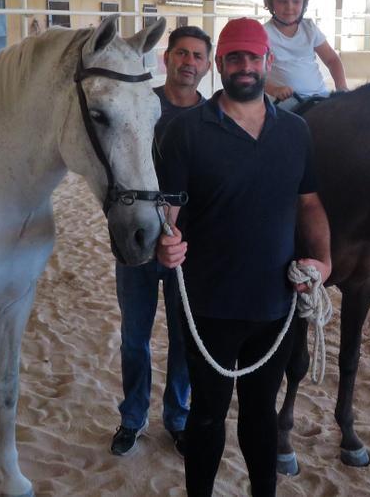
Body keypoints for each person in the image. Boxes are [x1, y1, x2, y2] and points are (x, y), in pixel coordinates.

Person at [156, 18, 332, 496]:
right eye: (235, 58)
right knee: (207, 417)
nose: (246, 66)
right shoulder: (186, 133)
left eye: (254, 57)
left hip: (275, 306)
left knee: (260, 417)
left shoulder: (295, 132)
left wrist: (323, 261)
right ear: (220, 64)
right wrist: (164, 241)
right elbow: (167, 210)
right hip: (208, 306)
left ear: (267, 61)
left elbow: (310, 202)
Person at [110, 25, 213, 458]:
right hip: (137, 243)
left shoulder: (212, 120)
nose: (189, 62)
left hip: (187, 250)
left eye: (198, 56)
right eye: (182, 53)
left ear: (207, 65)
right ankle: (132, 418)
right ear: (166, 58)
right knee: (135, 337)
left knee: (182, 338)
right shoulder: (140, 106)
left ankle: (178, 416)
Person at [259, 0, 347, 108]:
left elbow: (332, 60)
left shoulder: (310, 29)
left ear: (304, 3)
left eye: (296, 1)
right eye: (282, 1)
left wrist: (342, 89)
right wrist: (274, 89)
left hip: (319, 97)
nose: (289, 7)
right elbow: (256, 74)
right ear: (270, 2)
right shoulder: (263, 34)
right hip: (284, 103)